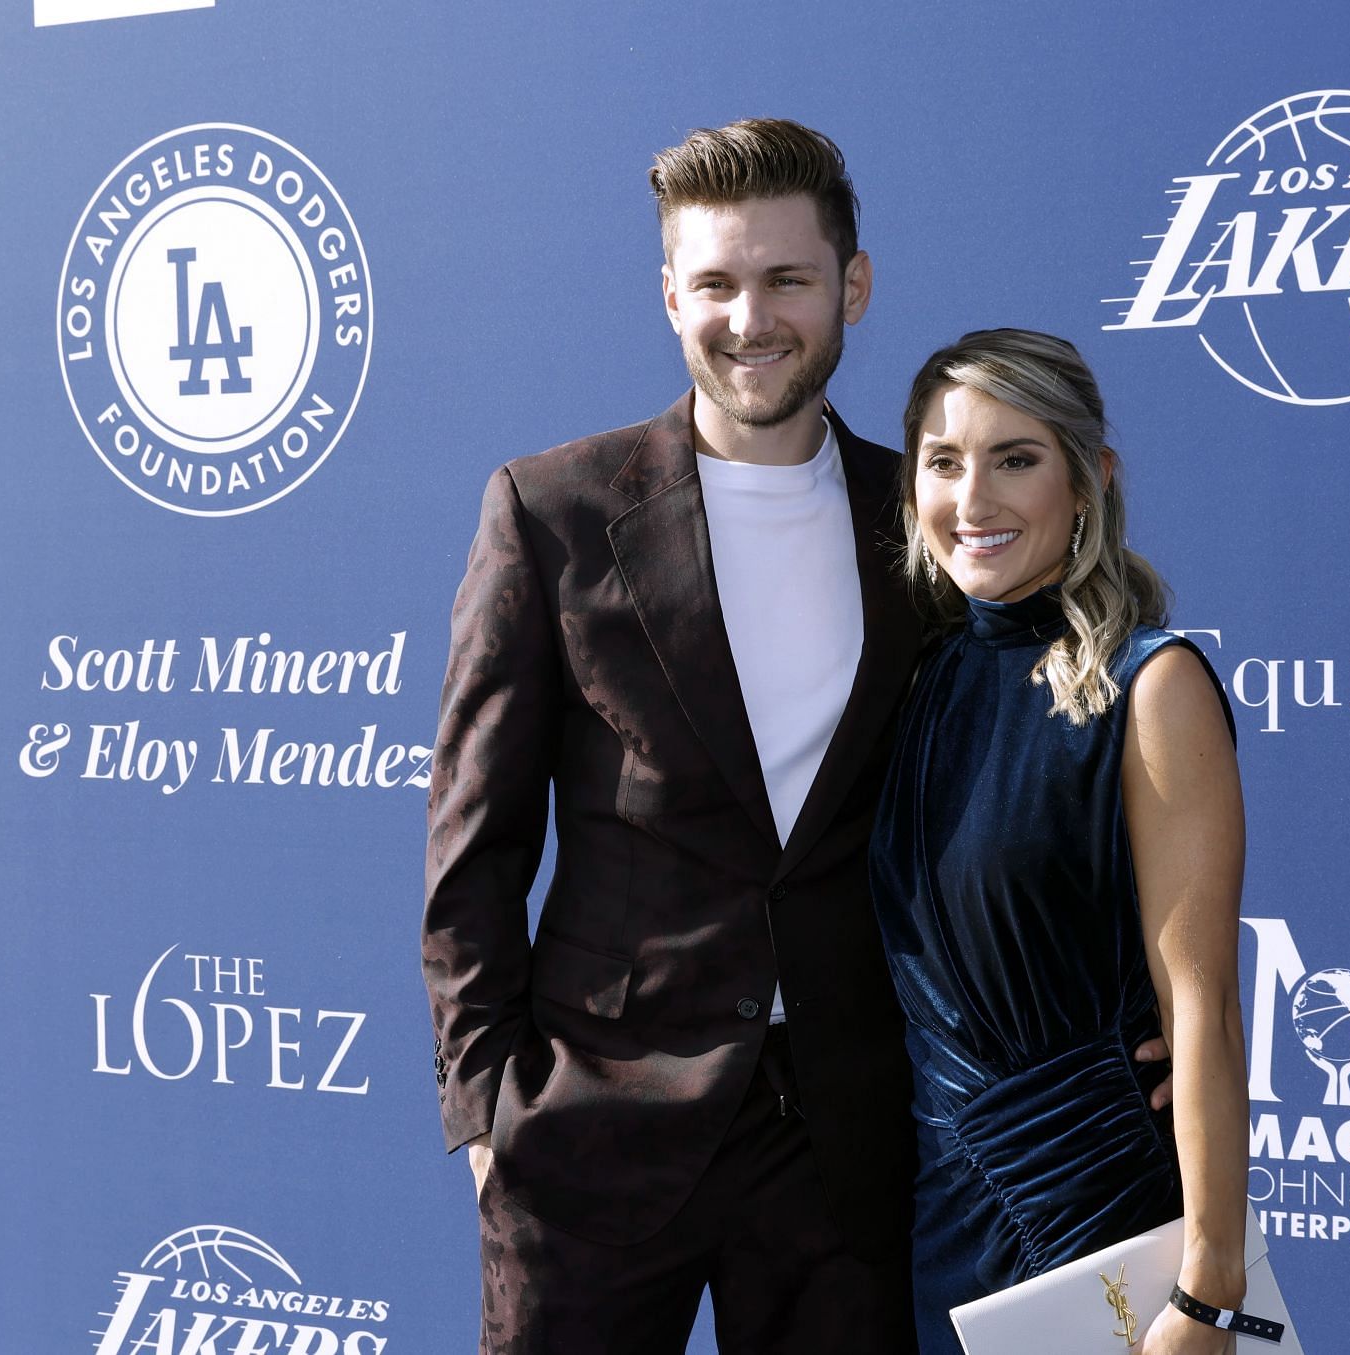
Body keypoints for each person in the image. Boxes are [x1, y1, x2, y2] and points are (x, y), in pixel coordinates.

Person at [421, 118, 925, 1355]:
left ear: (851, 286)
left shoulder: (924, 519)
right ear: (668, 296)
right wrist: (486, 1111)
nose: (749, 318)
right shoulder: (552, 511)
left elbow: (1009, 802)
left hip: (844, 1145)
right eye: (714, 283)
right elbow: (473, 840)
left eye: (786, 279)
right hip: (592, 1129)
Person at [869, 329, 1250, 1354]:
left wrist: (1211, 1283)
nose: (974, 498)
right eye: (944, 462)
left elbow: (1202, 1001)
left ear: (1090, 479)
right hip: (943, 1219)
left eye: (1017, 458)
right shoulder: (922, 681)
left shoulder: (1152, 685)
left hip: (1102, 1215)